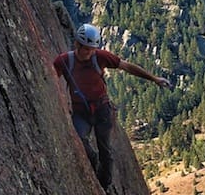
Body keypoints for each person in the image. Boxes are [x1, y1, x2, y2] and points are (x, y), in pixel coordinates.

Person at [53, 23, 171, 191]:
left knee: (106, 151)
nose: (89, 52)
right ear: (77, 44)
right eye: (86, 48)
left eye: (92, 48)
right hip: (81, 113)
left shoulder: (100, 56)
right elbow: (49, 78)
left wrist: (154, 79)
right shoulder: (64, 61)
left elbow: (127, 66)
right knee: (80, 141)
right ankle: (92, 163)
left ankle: (104, 185)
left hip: (102, 110)